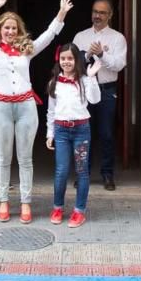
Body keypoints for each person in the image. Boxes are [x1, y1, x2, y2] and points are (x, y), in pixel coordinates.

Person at [0, 0, 72, 223]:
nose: (10, 32)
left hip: (25, 107)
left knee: (25, 158)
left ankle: (25, 203)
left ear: (18, 31)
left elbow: (48, 36)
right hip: (1, 106)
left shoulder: (26, 50)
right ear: (0, 30)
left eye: (14, 28)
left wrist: (61, 14)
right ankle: (3, 201)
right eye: (6, 28)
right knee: (3, 158)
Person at [73, 0, 127, 190]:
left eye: (102, 12)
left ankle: (107, 174)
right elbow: (72, 64)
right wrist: (87, 55)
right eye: (95, 11)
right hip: (84, 91)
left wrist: (102, 54)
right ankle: (82, 174)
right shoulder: (80, 36)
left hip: (106, 91)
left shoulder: (117, 38)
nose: (97, 15)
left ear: (110, 15)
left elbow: (120, 65)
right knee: (82, 135)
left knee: (106, 134)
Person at [46, 43, 101, 228]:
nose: (66, 62)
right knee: (61, 171)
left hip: (81, 129)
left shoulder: (84, 80)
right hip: (61, 130)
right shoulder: (54, 82)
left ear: (77, 60)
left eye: (70, 58)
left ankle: (79, 211)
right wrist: (50, 133)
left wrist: (91, 77)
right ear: (58, 60)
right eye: (63, 58)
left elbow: (95, 99)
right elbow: (51, 111)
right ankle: (57, 207)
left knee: (81, 170)